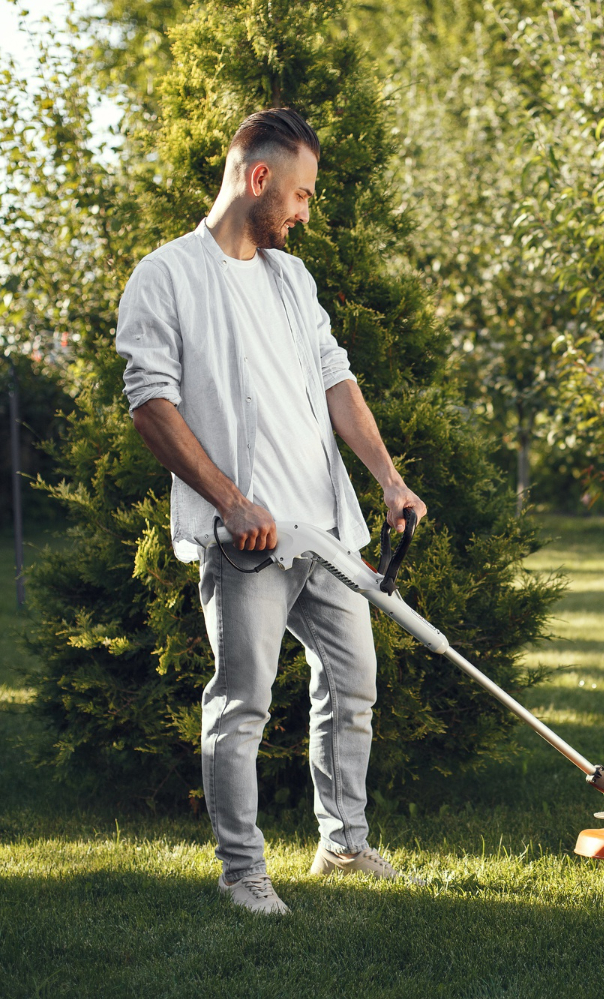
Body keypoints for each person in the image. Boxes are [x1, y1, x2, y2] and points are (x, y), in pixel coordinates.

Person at [116, 107, 428, 915]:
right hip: (246, 539)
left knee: (352, 686)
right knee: (242, 703)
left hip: (323, 535)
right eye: (301, 194)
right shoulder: (167, 275)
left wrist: (388, 479)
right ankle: (244, 873)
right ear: (259, 179)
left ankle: (344, 847)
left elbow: (336, 382)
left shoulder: (293, 280)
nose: (304, 211)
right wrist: (230, 501)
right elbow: (150, 402)